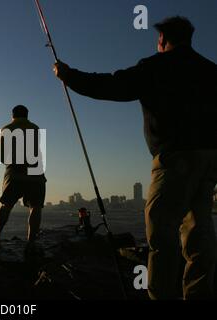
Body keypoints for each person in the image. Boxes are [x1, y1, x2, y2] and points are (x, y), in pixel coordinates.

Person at [53, 16, 217, 299]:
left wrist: (67, 75)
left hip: (174, 158)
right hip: (210, 160)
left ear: (163, 40)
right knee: (199, 233)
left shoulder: (156, 67)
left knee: (162, 235)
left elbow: (110, 86)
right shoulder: (211, 71)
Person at [0, 105, 47, 256]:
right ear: (27, 115)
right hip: (35, 171)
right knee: (35, 207)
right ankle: (31, 244)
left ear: (12, 115)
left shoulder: (6, 128)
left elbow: (3, 158)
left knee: (6, 205)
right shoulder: (35, 128)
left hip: (14, 172)